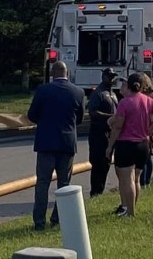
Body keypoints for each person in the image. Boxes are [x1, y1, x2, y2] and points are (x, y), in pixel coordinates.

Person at [26, 60, 85, 231]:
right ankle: (58, 218)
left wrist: (45, 123)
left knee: (43, 182)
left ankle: (39, 222)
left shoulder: (43, 90)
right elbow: (80, 118)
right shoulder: (78, 92)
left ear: (53, 73)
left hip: (46, 142)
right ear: (67, 73)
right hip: (67, 143)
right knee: (64, 183)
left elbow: (32, 115)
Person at [106, 72, 153, 218]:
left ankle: (130, 213)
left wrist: (109, 146)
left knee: (127, 179)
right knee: (136, 179)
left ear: (129, 86)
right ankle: (132, 208)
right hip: (143, 144)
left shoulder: (125, 103)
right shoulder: (147, 100)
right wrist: (152, 127)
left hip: (126, 144)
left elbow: (118, 127)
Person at [87, 68, 118, 198]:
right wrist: (110, 116)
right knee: (98, 163)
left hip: (109, 134)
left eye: (113, 77)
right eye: (109, 76)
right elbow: (92, 112)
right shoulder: (98, 93)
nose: (111, 79)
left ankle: (101, 190)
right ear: (103, 77)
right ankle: (95, 192)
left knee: (106, 163)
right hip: (98, 134)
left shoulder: (113, 94)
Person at [138, 74, 153, 188]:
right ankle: (146, 181)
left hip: (149, 127)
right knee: (147, 156)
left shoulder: (151, 96)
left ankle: (144, 181)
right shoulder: (152, 94)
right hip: (148, 126)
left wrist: (152, 127)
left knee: (146, 157)